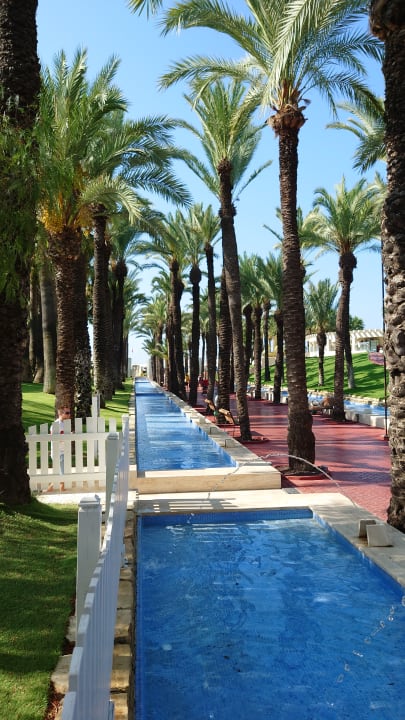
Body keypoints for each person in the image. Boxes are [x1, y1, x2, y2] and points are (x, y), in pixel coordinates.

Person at [50, 406, 71, 474]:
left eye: (69, 412)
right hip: (58, 453)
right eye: (67, 413)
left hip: (64, 452)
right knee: (63, 474)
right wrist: (67, 437)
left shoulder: (65, 424)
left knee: (63, 474)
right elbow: (53, 439)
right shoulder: (56, 424)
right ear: (61, 414)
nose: (69, 414)